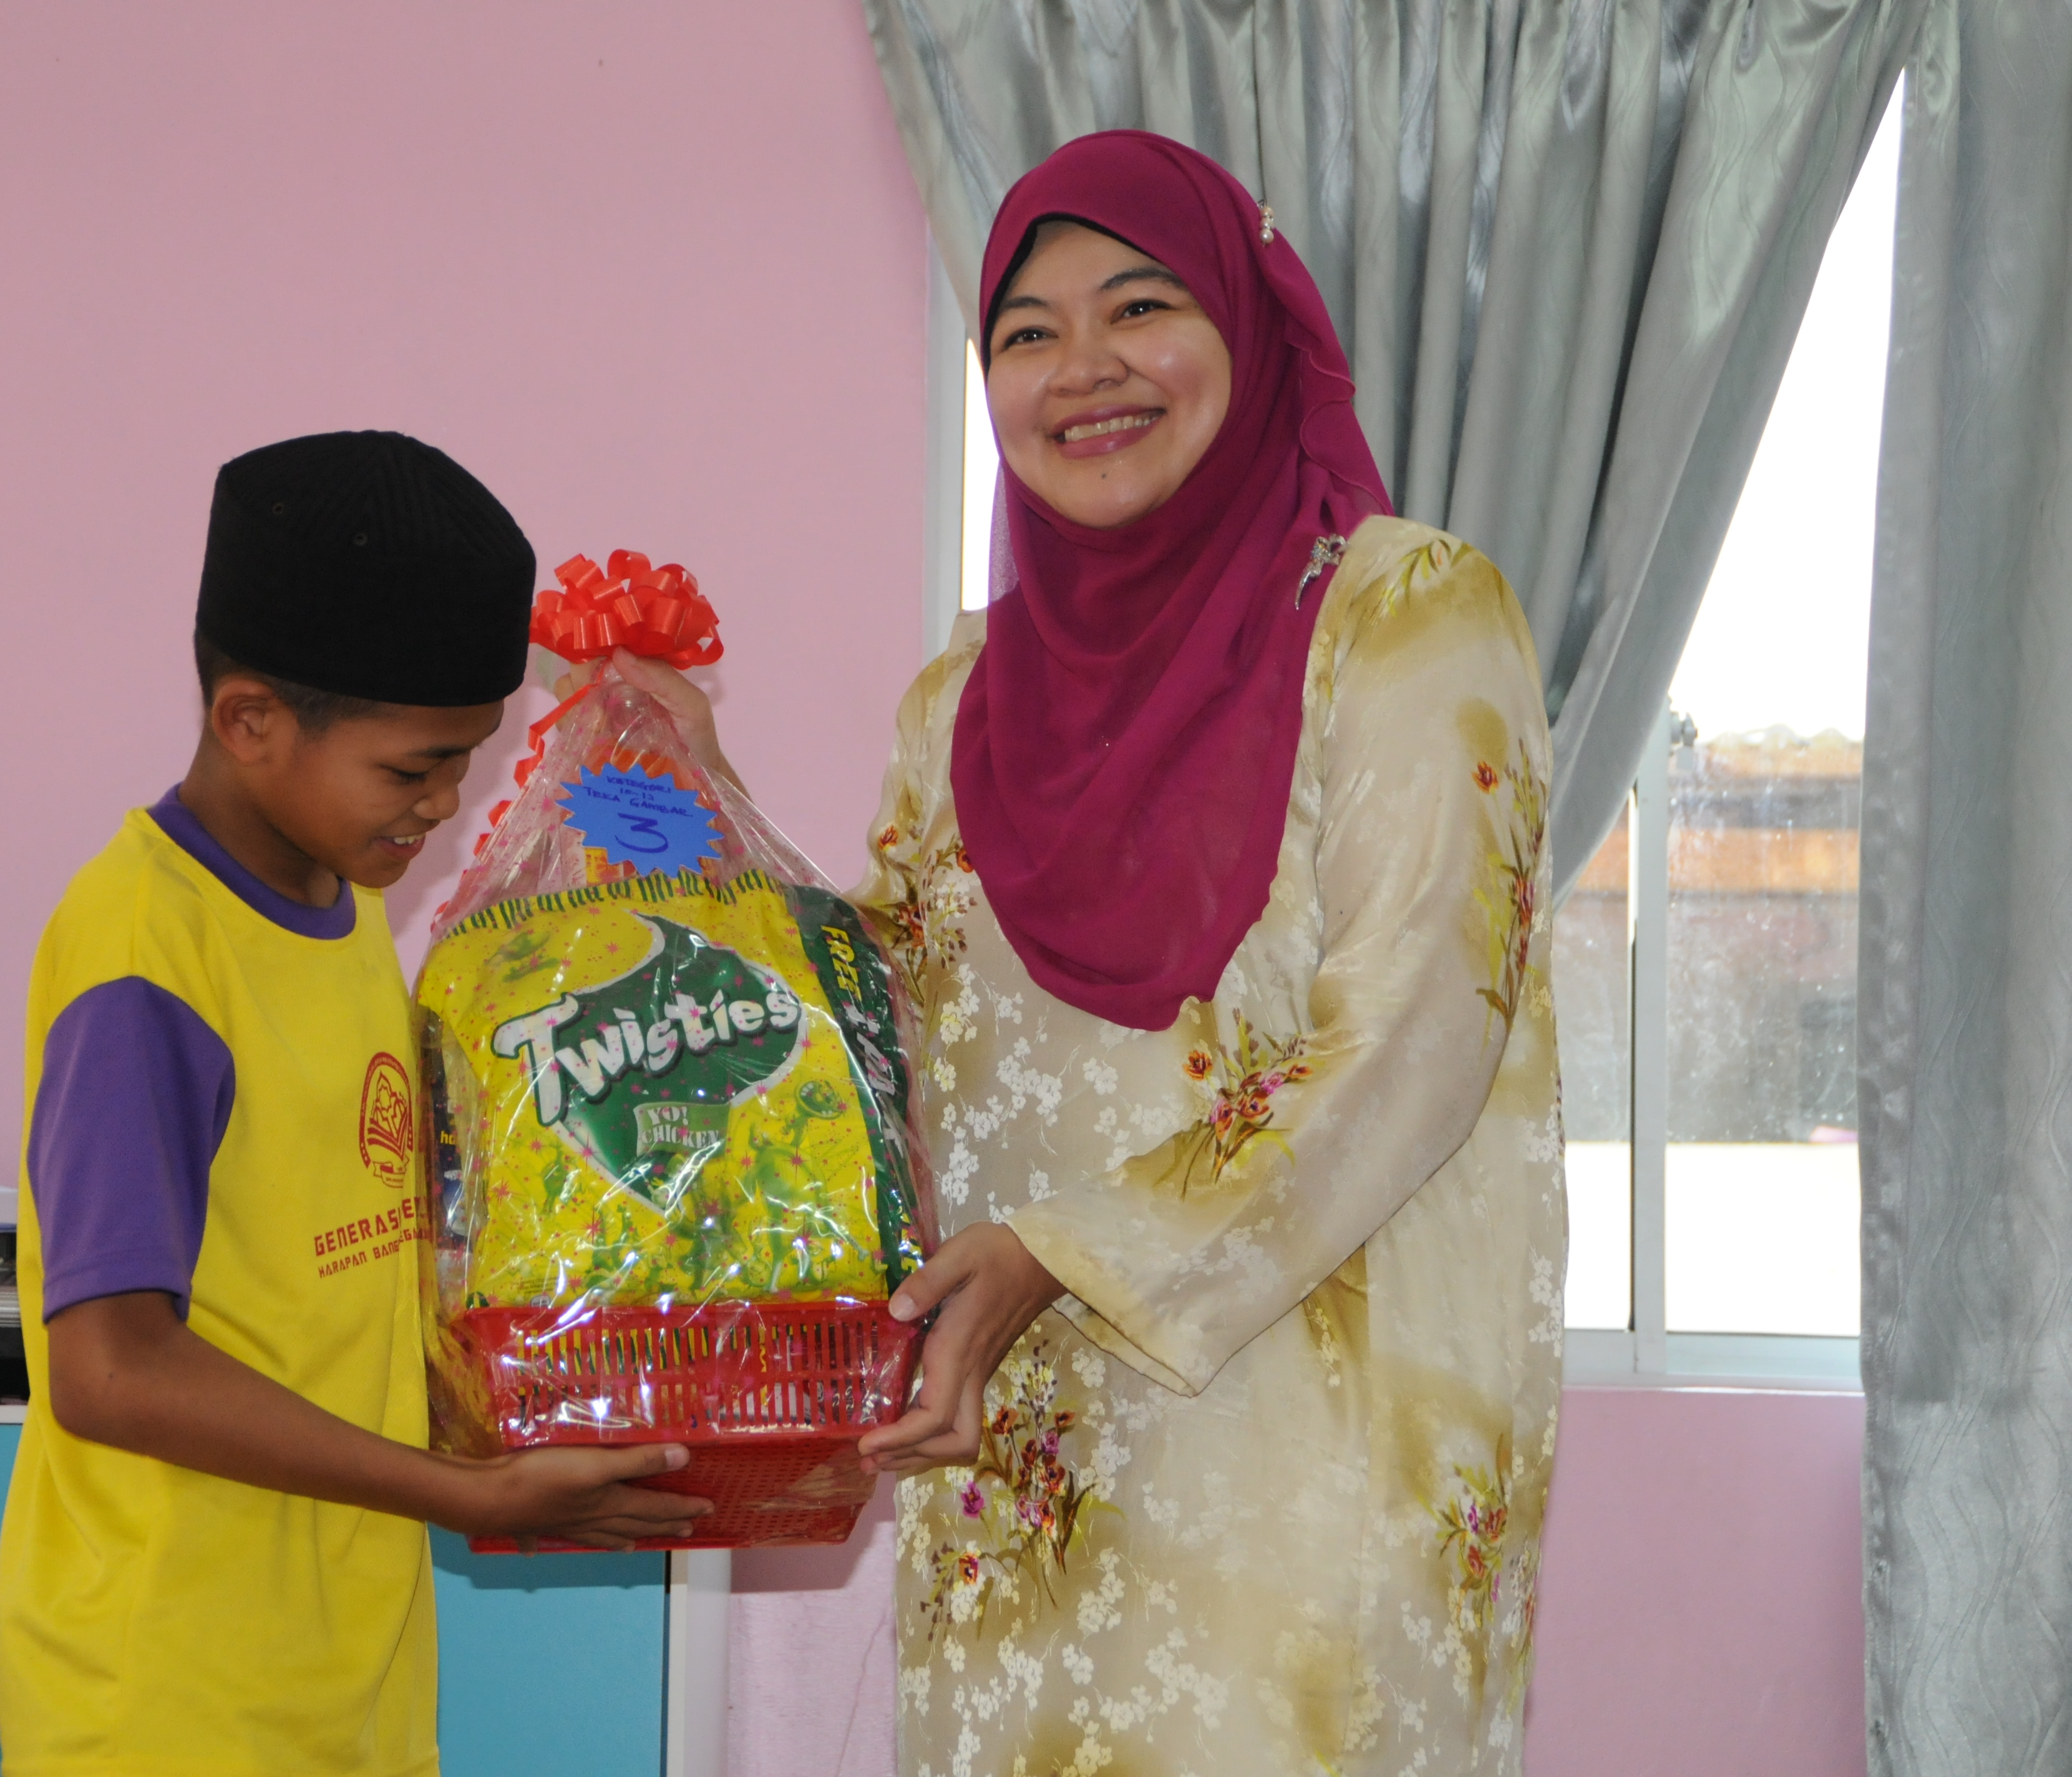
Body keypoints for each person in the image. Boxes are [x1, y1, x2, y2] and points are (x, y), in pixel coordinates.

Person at [633, 132, 1563, 1774]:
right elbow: (888, 1041)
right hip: (1023, 1481)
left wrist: (1057, 1254)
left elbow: (1418, 1036)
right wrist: (697, 817)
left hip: (1299, 1484)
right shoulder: (961, 702)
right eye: (1026, 331)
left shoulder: (1404, 616)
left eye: (1140, 307)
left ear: (1249, 324)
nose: (1083, 369)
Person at [0, 432, 709, 1776]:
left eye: (469, 760)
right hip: (171, 1696)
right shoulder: (146, 950)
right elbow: (109, 1370)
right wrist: (465, 1489)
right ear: (250, 721)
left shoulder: (341, 908)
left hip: (343, 1679)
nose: (445, 805)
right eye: (412, 768)